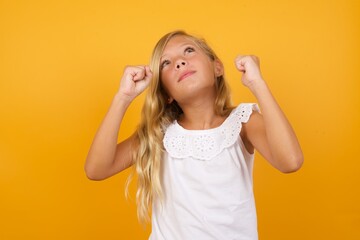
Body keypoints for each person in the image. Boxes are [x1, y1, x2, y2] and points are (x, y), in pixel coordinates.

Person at [84, 30, 304, 240]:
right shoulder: (160, 133)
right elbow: (96, 169)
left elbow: (290, 161)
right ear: (166, 93)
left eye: (189, 51)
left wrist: (258, 84)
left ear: (217, 67)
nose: (179, 62)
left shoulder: (243, 122)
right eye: (166, 63)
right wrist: (122, 97)